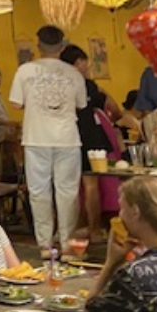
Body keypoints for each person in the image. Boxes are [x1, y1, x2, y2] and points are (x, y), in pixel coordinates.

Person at [9, 25, 87, 259]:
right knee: (68, 192)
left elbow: (15, 103)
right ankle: (67, 246)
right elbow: (81, 104)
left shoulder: (24, 71)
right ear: (62, 46)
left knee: (38, 192)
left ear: (38, 46)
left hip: (36, 138)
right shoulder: (74, 74)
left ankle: (45, 245)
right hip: (68, 139)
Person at [60, 44, 122, 243]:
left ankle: (71, 229)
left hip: (65, 137)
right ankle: (94, 230)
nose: (87, 67)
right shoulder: (88, 85)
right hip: (89, 137)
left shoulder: (60, 86)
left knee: (67, 186)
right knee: (91, 185)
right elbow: (115, 109)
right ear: (78, 63)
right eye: (85, 63)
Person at [85, 176, 157, 312]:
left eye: (121, 208)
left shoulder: (133, 274)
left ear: (135, 212)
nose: (119, 216)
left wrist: (110, 264)